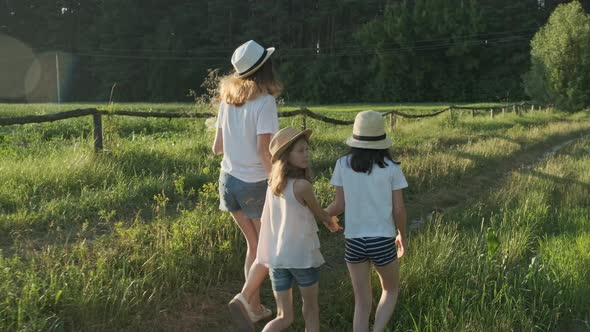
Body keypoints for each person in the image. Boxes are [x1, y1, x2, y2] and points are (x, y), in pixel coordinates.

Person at [229, 127, 341, 332]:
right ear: (286, 156)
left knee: (284, 317)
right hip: (302, 258)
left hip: (278, 260)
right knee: (311, 310)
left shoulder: (273, 184)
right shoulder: (302, 186)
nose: (306, 154)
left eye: (307, 149)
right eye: (300, 150)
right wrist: (331, 220)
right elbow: (320, 214)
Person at [212, 40, 282, 323]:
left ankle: (254, 307)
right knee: (265, 248)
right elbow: (263, 151)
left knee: (253, 246)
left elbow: (217, 147)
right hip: (254, 184)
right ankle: (244, 298)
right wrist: (277, 183)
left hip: (227, 181)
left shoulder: (228, 101)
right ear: (266, 70)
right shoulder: (265, 102)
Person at [326, 110, 408, 332]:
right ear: (381, 140)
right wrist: (402, 235)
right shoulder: (392, 168)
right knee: (390, 291)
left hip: (354, 241)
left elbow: (338, 206)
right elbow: (399, 210)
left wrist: (323, 216)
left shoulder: (342, 164)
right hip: (382, 239)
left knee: (362, 302)